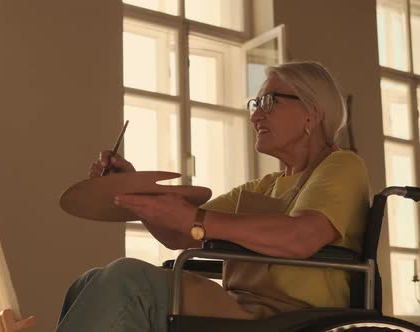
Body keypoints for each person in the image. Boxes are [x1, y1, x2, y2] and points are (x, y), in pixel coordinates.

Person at [56, 61, 371, 332]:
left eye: (270, 102)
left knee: (126, 280)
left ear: (311, 114)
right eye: (255, 104)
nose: (255, 116)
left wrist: (198, 220)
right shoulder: (262, 187)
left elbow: (300, 237)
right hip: (241, 306)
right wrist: (131, 190)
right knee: (91, 281)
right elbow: (178, 232)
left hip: (297, 316)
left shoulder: (340, 166)